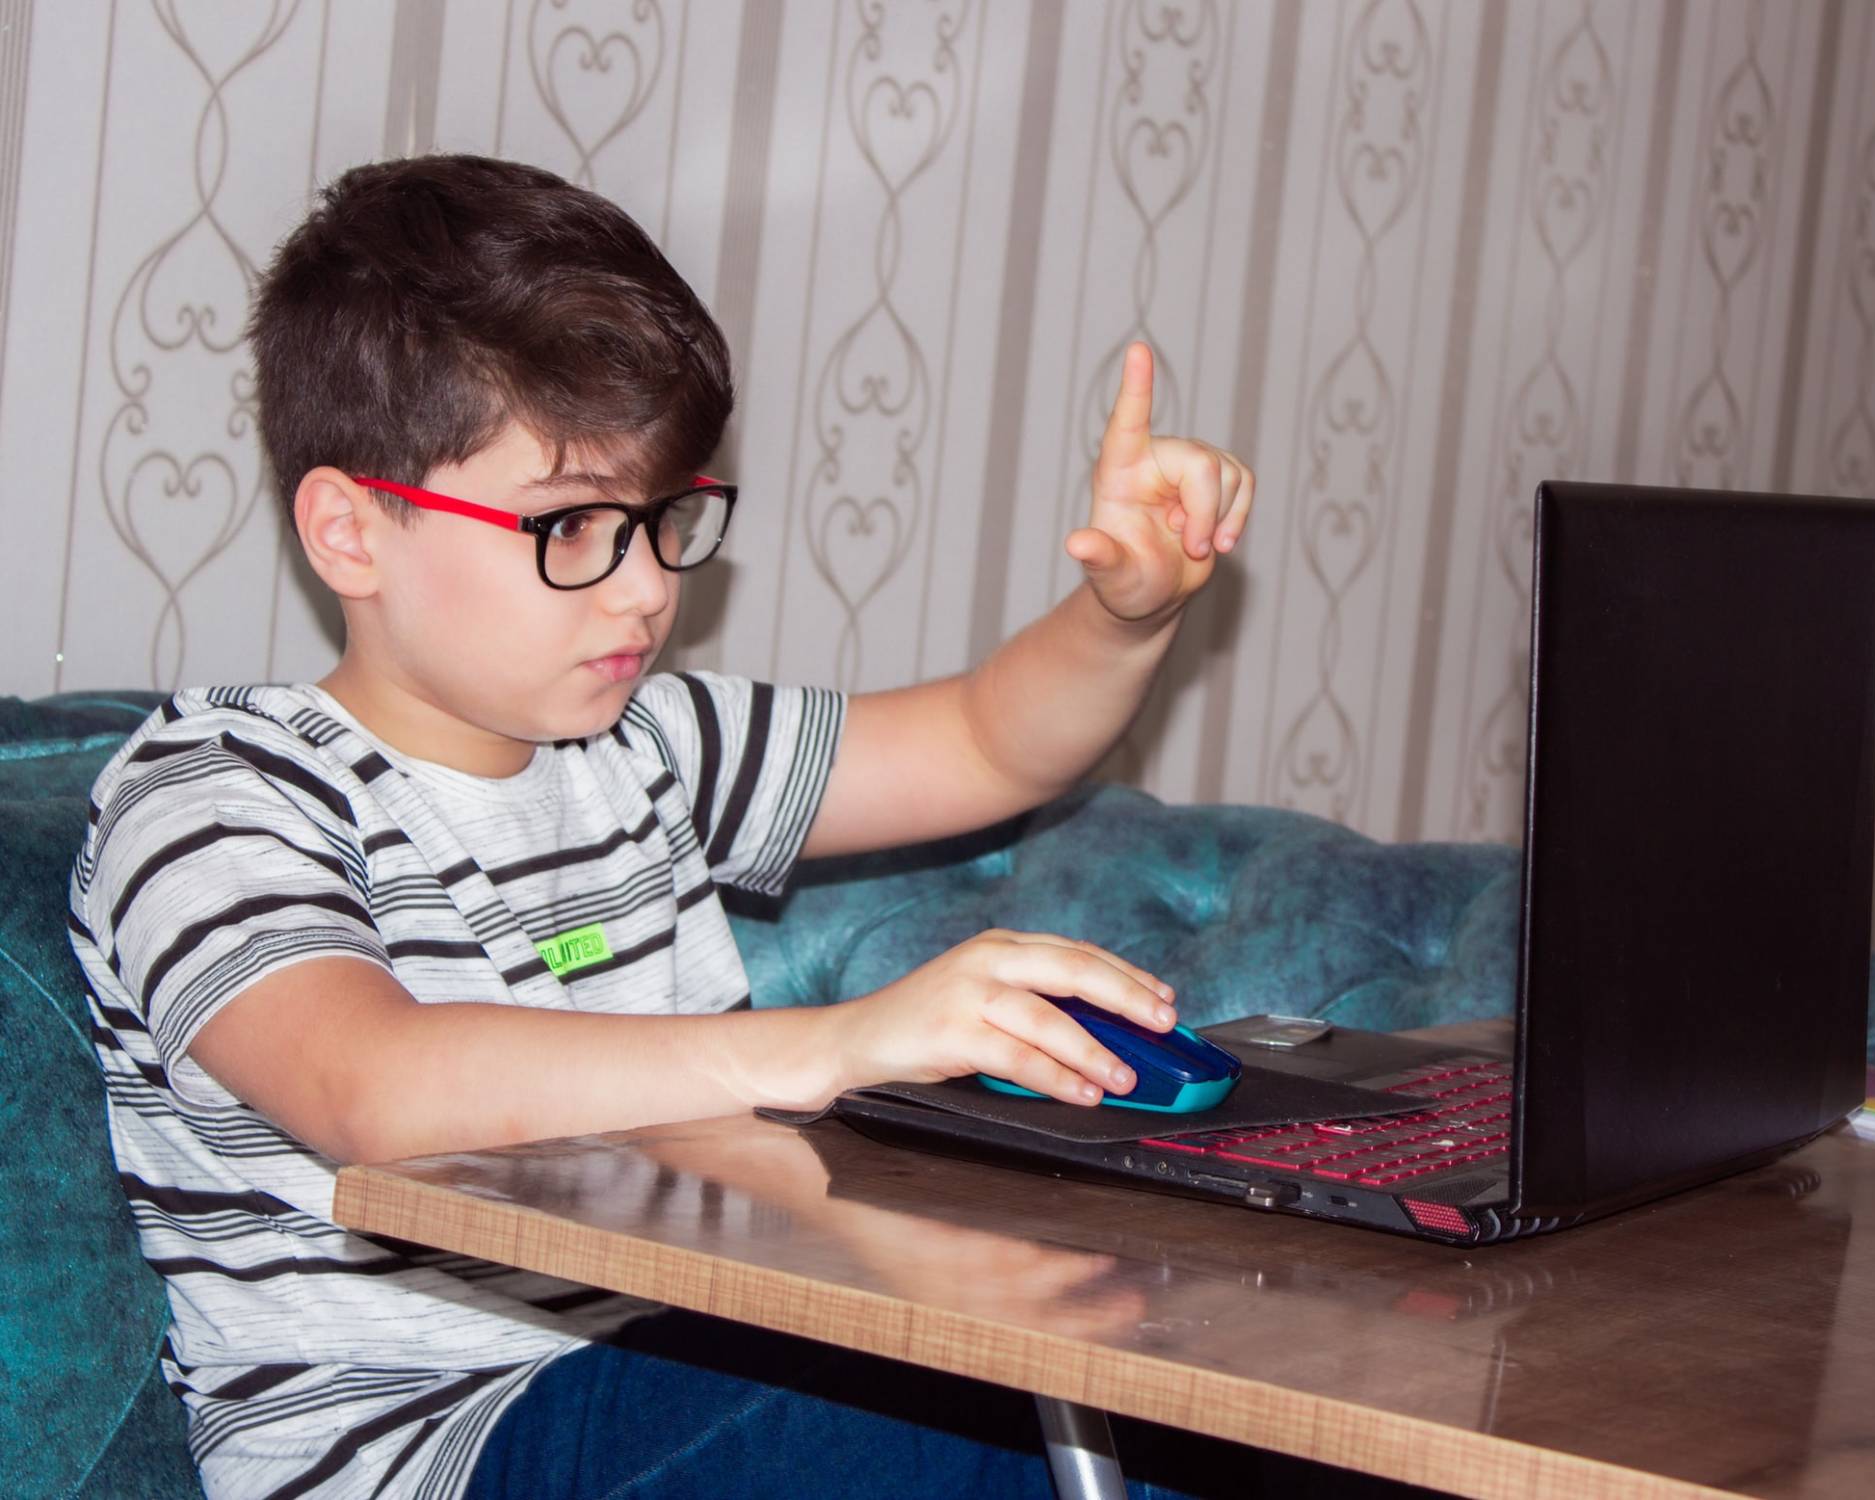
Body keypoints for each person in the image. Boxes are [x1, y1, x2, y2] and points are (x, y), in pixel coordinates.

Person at [68, 153, 1256, 1499]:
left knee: (1176, 1373)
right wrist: (834, 1047)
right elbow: (374, 1090)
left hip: (673, 1363)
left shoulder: (644, 744)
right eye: (572, 527)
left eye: (663, 518)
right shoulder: (216, 788)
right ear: (351, 532)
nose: (640, 591)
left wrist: (1125, 615)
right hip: (431, 1452)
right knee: (1018, 1408)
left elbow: (987, 739)